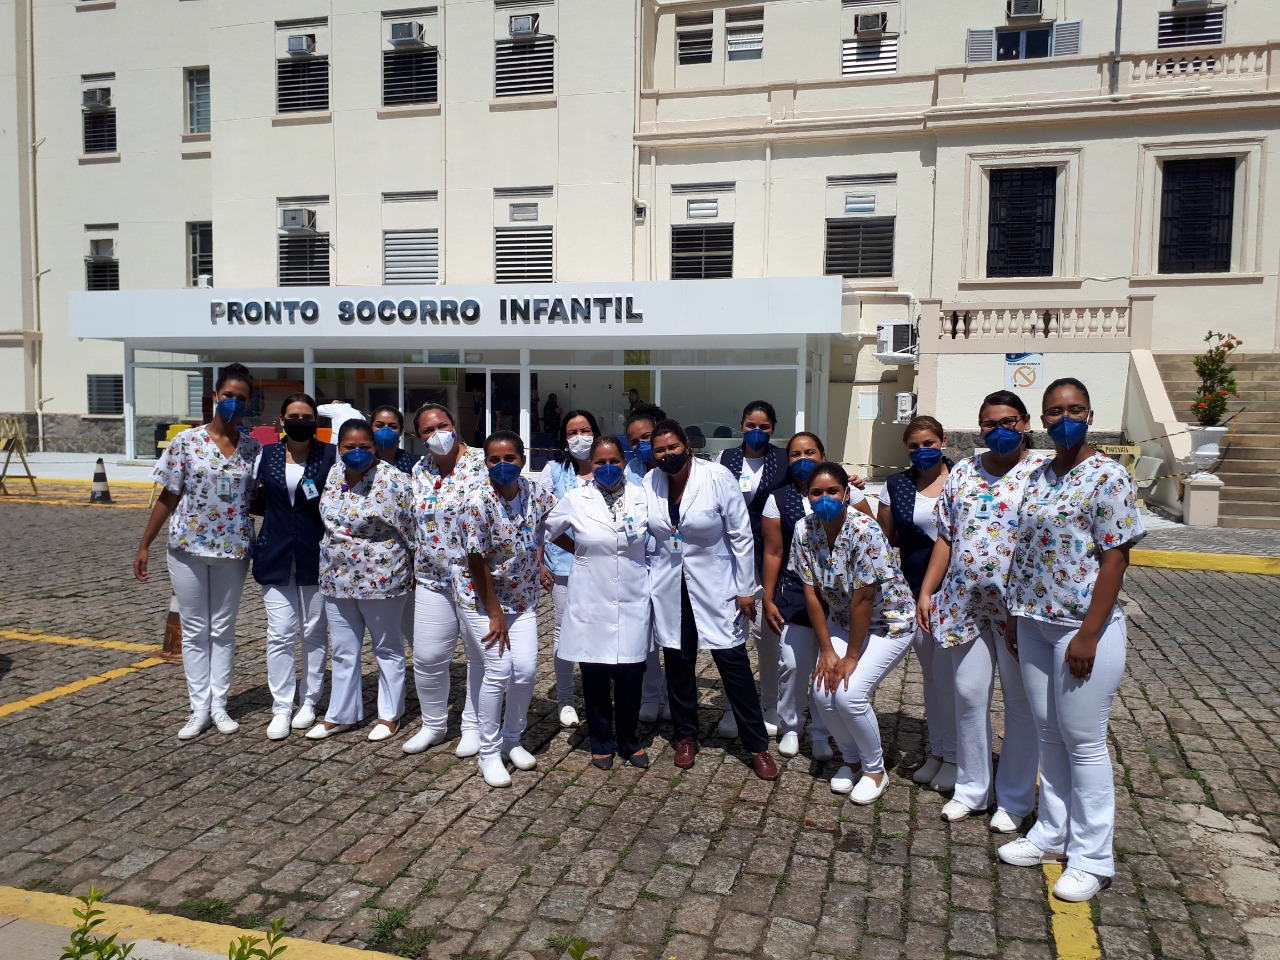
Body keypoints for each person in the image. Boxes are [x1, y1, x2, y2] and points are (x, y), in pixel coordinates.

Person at [997, 378, 1144, 903]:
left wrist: (1088, 633)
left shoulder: (1108, 475)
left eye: (1074, 410)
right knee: (1048, 734)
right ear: (1041, 420)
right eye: (1055, 412)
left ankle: (1092, 857)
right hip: (1033, 621)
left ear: (1089, 415)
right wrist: (1014, 615)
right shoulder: (1038, 474)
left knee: (1084, 742)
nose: (1064, 419)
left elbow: (1115, 558)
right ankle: (1052, 833)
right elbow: (1025, 549)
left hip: (1081, 629)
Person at [917, 391, 1042, 831]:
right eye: (990, 423)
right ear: (980, 427)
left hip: (1019, 608)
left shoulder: (1042, 472)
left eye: (1009, 421)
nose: (1000, 430)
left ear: (1025, 423)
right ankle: (972, 789)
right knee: (968, 695)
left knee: (1020, 704)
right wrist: (927, 591)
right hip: (964, 604)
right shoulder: (964, 472)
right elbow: (946, 536)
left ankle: (1014, 799)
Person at [643, 419, 778, 781]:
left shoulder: (716, 477)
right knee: (678, 661)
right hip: (669, 586)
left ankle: (757, 745)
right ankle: (686, 736)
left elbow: (741, 534)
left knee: (732, 661)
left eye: (673, 447)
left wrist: (746, 588)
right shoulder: (650, 481)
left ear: (687, 446)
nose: (667, 455)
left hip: (717, 585)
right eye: (659, 450)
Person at [134, 362, 261, 740]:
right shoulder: (186, 442)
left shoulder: (253, 449)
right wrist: (144, 544)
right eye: (228, 396)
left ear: (249, 403)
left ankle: (219, 705)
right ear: (215, 397)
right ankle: (198, 708)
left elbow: (261, 499)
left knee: (222, 629)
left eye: (242, 399)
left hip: (233, 550)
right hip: (187, 549)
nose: (234, 403)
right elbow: (168, 495)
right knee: (194, 630)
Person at [795, 461, 916, 804]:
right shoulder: (804, 529)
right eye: (816, 492)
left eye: (832, 491)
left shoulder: (864, 529)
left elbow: (864, 599)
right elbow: (811, 593)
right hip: (842, 619)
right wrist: (827, 650)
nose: (825, 499)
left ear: (846, 493)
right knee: (822, 692)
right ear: (807, 496)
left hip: (888, 621)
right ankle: (851, 760)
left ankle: (876, 771)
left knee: (850, 694)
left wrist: (850, 657)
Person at [761, 432, 875, 760]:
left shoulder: (847, 491)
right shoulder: (778, 499)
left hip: (842, 596)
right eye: (795, 454)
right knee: (792, 663)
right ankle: (791, 726)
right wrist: (768, 597)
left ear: (823, 455)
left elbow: (871, 535)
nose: (803, 459)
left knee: (830, 664)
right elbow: (773, 551)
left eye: (810, 452)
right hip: (798, 592)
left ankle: (822, 730)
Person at [456, 430, 557, 787]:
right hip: (481, 598)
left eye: (509, 458)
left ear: (523, 460)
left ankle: (512, 739)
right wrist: (495, 614)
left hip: (522, 596)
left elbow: (555, 526)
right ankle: (488, 752)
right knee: (499, 670)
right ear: (485, 463)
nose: (502, 465)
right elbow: (476, 561)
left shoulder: (534, 492)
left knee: (526, 671)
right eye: (494, 459)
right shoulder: (477, 502)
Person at [545, 435, 652, 769]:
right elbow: (545, 529)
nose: (608, 468)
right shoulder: (576, 499)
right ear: (591, 465)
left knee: (632, 674)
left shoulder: (641, 496)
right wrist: (577, 549)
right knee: (594, 675)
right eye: (600, 462)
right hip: (591, 597)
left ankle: (630, 740)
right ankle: (601, 740)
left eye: (614, 461)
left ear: (624, 462)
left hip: (633, 596)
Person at [306, 420, 416, 742]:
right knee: (343, 648)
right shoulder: (334, 474)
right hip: (336, 577)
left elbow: (411, 530)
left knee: (387, 646)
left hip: (382, 577)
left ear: (374, 447)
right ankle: (340, 714)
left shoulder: (393, 480)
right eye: (349, 447)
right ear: (339, 448)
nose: (356, 453)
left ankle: (389, 714)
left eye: (364, 447)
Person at [403, 403, 489, 757]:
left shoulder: (483, 462)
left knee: (479, 655)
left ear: (455, 424)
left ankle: (473, 725)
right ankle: (433, 724)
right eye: (428, 430)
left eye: (443, 425)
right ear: (418, 437)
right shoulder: (420, 469)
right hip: (431, 576)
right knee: (427, 656)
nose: (437, 434)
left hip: (476, 577)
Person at [879, 415, 958, 793]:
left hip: (958, 594)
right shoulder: (897, 484)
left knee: (955, 680)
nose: (922, 451)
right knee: (931, 677)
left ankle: (958, 757)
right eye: (914, 446)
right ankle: (938, 752)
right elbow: (887, 537)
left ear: (943, 441)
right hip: (916, 592)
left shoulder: (963, 480)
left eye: (929, 443)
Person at [250, 392, 335, 740]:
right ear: (282, 421)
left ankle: (309, 701)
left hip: (316, 554)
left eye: (306, 417)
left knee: (314, 631)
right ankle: (281, 706)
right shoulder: (266, 454)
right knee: (281, 633)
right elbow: (251, 497)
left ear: (315, 421)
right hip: (275, 552)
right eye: (294, 417)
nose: (300, 422)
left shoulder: (329, 455)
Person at [714, 400, 789, 741]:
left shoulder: (784, 460)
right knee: (730, 636)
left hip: (768, 557)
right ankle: (733, 706)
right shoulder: (725, 458)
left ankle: (770, 705)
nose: (756, 432)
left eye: (764, 427)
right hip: (727, 557)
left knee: (767, 636)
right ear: (741, 426)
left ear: (773, 428)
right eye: (750, 425)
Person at [537, 409, 601, 728]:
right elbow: (541, 520)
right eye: (573, 433)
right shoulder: (554, 471)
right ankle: (565, 699)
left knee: (601, 630)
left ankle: (599, 695)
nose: (580, 438)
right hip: (564, 566)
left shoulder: (609, 468)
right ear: (564, 439)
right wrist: (540, 562)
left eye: (585, 430)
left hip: (605, 568)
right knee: (564, 632)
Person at [624, 404, 668, 721]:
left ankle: (676, 694)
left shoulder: (677, 466)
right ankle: (651, 695)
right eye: (634, 440)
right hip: (640, 561)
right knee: (645, 632)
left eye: (646, 436)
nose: (641, 444)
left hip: (674, 561)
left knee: (676, 632)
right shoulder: (630, 471)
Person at [371, 405, 418, 475]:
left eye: (393, 426)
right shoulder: (364, 463)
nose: (386, 430)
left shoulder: (415, 464)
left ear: (401, 430)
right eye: (380, 426)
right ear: (371, 428)